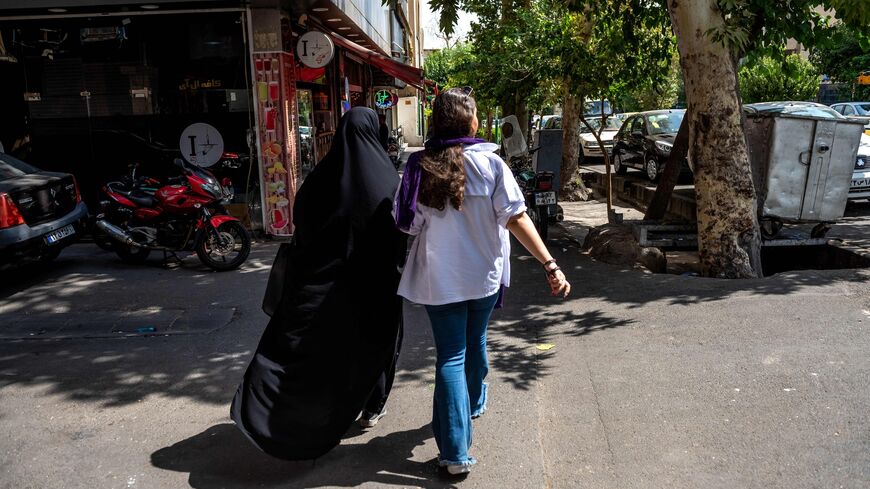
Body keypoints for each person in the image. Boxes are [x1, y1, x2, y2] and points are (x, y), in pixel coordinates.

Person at [394, 87, 570, 475]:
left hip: (440, 282)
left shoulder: (419, 168)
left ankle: (455, 452)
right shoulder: (492, 165)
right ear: (471, 122)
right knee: (474, 343)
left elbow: (407, 224)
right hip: (484, 278)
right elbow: (517, 217)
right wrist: (550, 264)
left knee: (451, 356)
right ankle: (470, 405)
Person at [231, 107, 406, 460]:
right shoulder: (388, 179)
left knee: (320, 348)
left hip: (321, 284)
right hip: (374, 286)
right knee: (377, 344)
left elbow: (302, 225)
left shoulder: (321, 178)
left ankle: (295, 413)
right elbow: (399, 234)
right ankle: (373, 406)